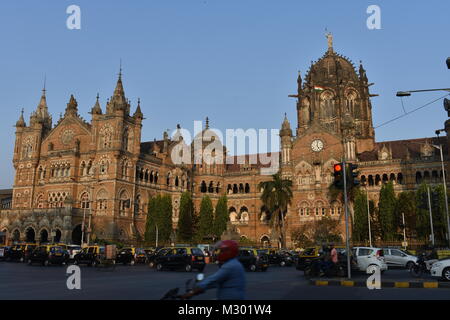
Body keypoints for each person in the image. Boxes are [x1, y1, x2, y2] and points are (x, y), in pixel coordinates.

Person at [180, 240, 246, 300]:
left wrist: (192, 292)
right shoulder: (235, 263)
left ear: (227, 252)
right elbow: (217, 282)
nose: (219, 253)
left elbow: (213, 280)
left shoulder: (229, 266)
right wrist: (201, 288)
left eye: (221, 251)